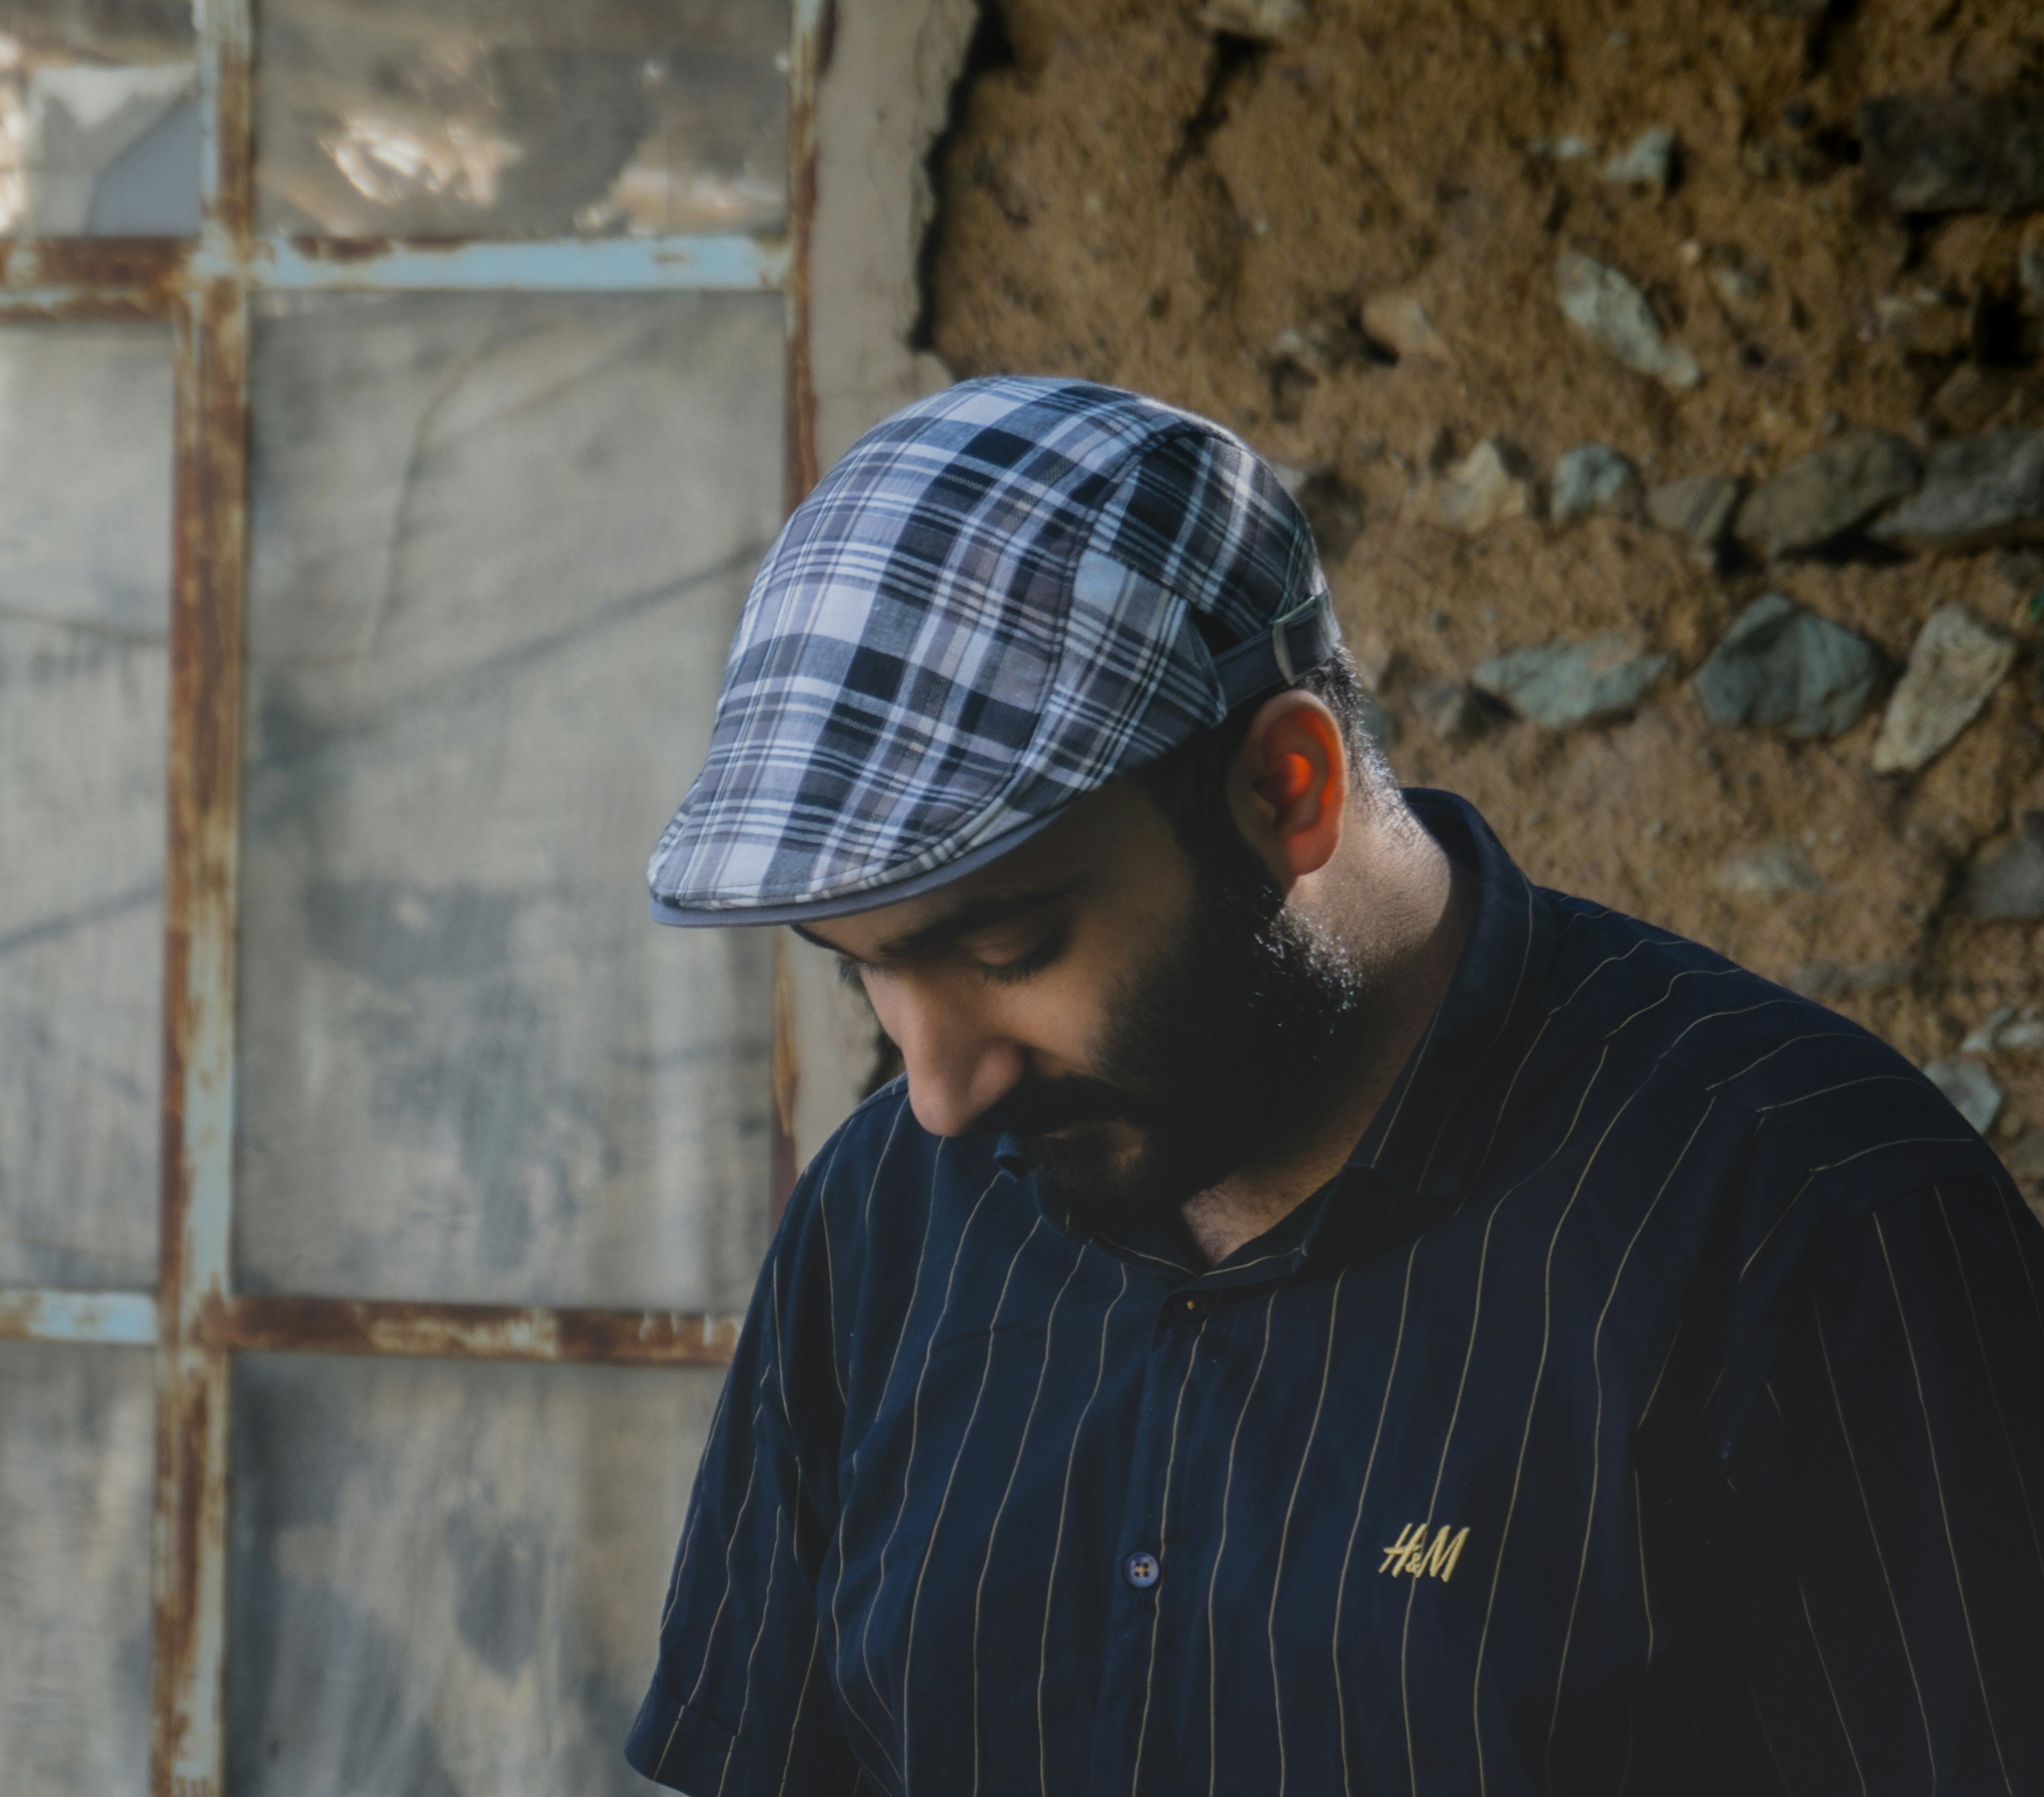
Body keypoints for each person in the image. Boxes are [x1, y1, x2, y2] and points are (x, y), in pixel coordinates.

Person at [625, 375, 2044, 1797]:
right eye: (860, 968)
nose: (937, 1093)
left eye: (1008, 946)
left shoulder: (1819, 1232)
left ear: (1288, 785)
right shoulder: (883, 1218)